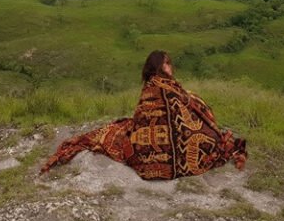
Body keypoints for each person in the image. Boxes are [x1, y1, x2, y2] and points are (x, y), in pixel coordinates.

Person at [40, 50, 247, 180]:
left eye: (169, 62)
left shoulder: (152, 86)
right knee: (212, 137)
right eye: (165, 63)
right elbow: (180, 109)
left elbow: (143, 117)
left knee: (123, 130)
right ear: (157, 67)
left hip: (164, 146)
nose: (169, 67)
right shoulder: (163, 86)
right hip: (178, 146)